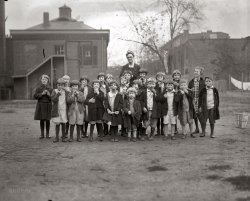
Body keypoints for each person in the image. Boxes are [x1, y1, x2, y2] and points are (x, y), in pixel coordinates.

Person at [34, 74, 53, 139]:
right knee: (42, 119)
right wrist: (42, 94)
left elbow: (52, 98)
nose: (44, 80)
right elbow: (35, 96)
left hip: (48, 105)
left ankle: (47, 134)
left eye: (45, 79)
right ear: (41, 80)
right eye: (43, 79)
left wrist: (48, 94)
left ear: (48, 80)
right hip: (41, 105)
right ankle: (42, 134)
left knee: (47, 120)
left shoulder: (50, 88)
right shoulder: (38, 88)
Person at [188, 66, 205, 134]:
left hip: (200, 101)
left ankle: (203, 130)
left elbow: (204, 93)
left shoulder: (203, 82)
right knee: (195, 115)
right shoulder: (191, 82)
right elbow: (188, 91)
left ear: (200, 73)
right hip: (193, 100)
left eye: (197, 71)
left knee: (200, 115)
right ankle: (197, 128)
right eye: (195, 71)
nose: (195, 72)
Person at [51, 78, 68, 143]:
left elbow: (68, 100)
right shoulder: (54, 91)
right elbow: (53, 99)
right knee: (57, 124)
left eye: (62, 85)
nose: (60, 86)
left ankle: (63, 137)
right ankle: (57, 137)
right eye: (59, 85)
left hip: (63, 110)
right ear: (57, 85)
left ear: (64, 86)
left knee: (63, 124)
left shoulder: (66, 92)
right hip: (57, 110)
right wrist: (58, 94)